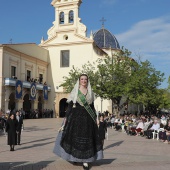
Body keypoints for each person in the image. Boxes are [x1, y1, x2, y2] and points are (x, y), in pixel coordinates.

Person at [53, 74, 103, 170]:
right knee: (75, 139)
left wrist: (96, 118)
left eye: (85, 79)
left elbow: (92, 107)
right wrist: (66, 118)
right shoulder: (75, 92)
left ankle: (86, 161)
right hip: (76, 120)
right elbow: (70, 107)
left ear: (87, 81)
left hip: (88, 120)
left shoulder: (90, 92)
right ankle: (75, 157)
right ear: (79, 81)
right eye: (82, 79)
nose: (84, 81)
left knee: (87, 139)